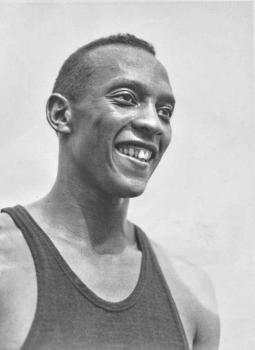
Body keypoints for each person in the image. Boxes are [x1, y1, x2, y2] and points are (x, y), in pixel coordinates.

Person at [0, 34, 220, 350]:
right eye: (126, 98)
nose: (153, 123)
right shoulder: (6, 261)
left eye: (165, 111)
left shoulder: (192, 292)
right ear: (61, 115)